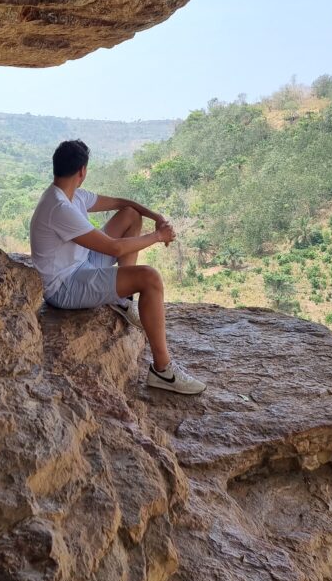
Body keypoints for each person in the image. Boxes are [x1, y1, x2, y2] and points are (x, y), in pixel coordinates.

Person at [29, 139, 206, 395]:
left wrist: (155, 217)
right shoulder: (59, 207)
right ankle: (163, 370)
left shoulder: (72, 195)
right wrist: (159, 236)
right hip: (64, 287)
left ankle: (122, 298)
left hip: (82, 264)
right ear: (82, 171)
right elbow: (114, 249)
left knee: (130, 215)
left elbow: (125, 205)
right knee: (150, 278)